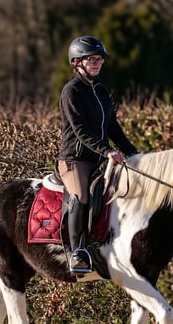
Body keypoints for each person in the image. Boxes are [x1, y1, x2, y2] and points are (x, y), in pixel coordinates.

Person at [57, 35, 138, 273]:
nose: (97, 63)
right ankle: (77, 252)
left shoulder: (101, 91)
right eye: (91, 59)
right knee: (81, 196)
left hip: (99, 158)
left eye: (99, 59)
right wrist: (108, 150)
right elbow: (80, 129)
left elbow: (113, 128)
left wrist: (135, 153)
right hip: (75, 160)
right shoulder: (71, 91)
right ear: (77, 62)